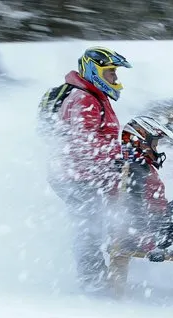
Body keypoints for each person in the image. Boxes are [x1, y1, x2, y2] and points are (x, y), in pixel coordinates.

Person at [40, 46, 131, 292]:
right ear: (95, 71)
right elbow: (83, 143)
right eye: (111, 72)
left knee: (94, 227)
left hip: (84, 176)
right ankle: (94, 284)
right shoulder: (85, 99)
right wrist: (119, 154)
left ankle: (99, 279)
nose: (115, 78)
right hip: (77, 178)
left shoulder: (92, 96)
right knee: (88, 230)